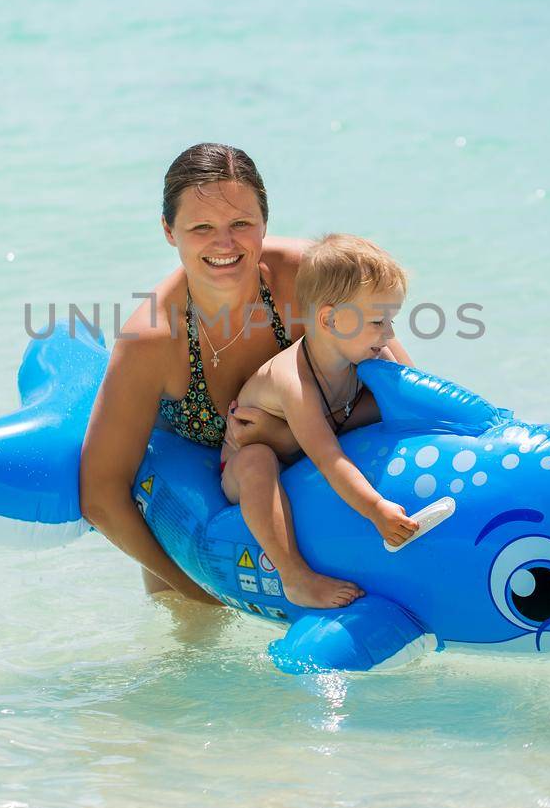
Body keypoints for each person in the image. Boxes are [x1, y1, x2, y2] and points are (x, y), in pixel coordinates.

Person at [78, 145, 414, 603]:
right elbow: (101, 494)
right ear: (168, 231)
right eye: (201, 227)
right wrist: (196, 592)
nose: (225, 244)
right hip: (195, 519)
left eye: (241, 224)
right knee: (191, 655)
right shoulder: (153, 340)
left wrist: (288, 433)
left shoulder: (309, 280)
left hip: (321, 482)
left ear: (264, 223)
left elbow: (404, 387)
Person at [217, 234, 419, 608]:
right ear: (329, 320)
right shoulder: (294, 380)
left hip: (309, 438)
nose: (389, 334)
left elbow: (419, 396)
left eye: (390, 320)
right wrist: (376, 509)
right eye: (379, 321)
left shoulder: (369, 346)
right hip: (249, 459)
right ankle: (295, 576)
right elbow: (330, 459)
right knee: (256, 461)